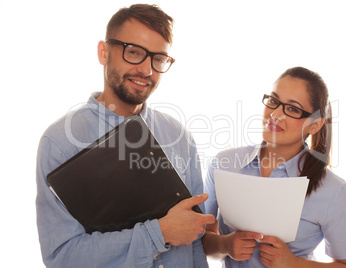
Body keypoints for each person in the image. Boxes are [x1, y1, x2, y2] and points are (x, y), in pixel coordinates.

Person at [36, 4, 215, 267]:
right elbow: (62, 257)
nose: (147, 70)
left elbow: (196, 240)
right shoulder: (60, 141)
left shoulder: (179, 136)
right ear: (103, 52)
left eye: (158, 59)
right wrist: (160, 233)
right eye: (134, 52)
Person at [202, 67, 346, 267]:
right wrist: (225, 245)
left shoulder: (333, 191)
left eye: (293, 109)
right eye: (273, 101)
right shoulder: (223, 165)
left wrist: (293, 263)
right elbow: (200, 241)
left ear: (314, 125)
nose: (275, 114)